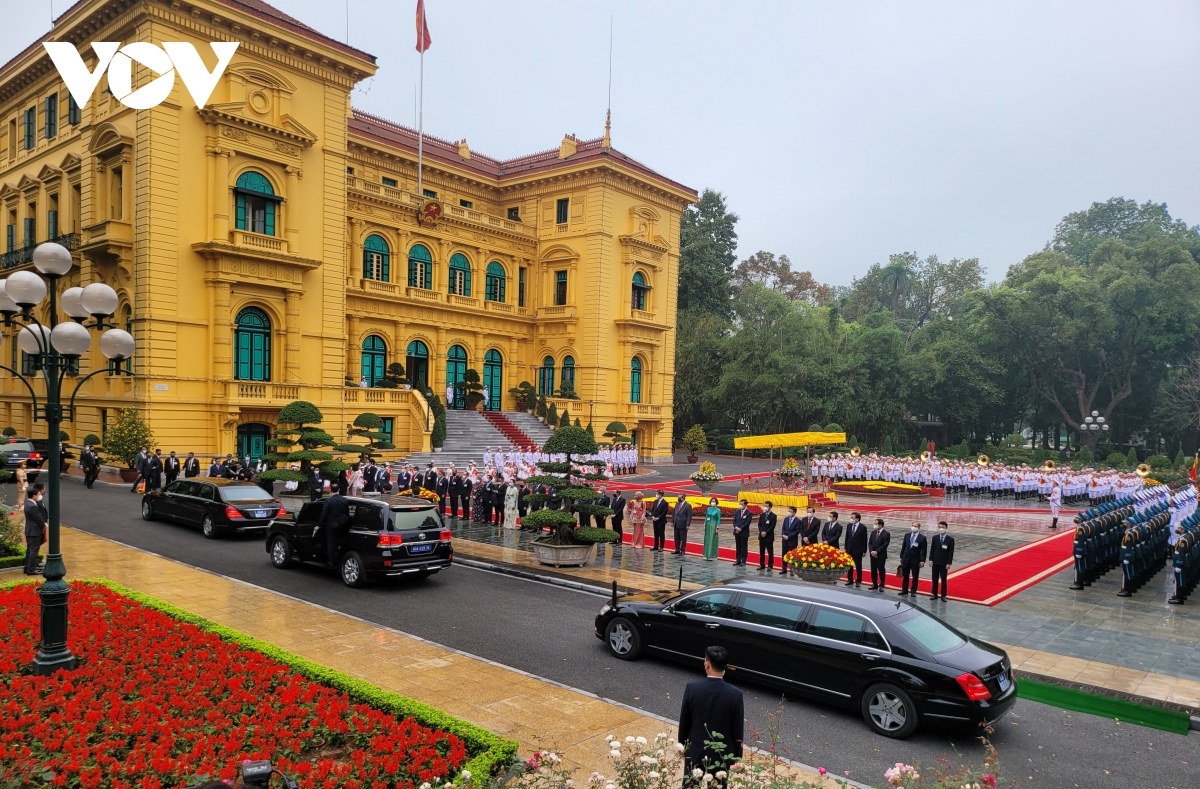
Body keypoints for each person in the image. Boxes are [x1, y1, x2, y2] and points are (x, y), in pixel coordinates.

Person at [678, 646, 744, 783]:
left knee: (690, 785)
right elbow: (737, 730)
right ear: (725, 666)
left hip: (695, 750)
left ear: (706, 664)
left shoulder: (692, 688)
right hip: (722, 753)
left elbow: (685, 721)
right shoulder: (736, 694)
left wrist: (682, 745)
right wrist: (736, 756)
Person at [315, 491, 350, 569]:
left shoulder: (328, 501)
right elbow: (347, 512)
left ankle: (331, 561)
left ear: (331, 491)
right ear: (338, 490)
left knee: (331, 543)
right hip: (342, 524)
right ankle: (339, 558)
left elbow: (324, 514)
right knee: (341, 541)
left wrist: (318, 525)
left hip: (332, 525)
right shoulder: (344, 500)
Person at [898, 521, 927, 596]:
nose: (913, 527)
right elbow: (903, 546)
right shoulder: (907, 535)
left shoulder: (922, 538)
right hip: (906, 558)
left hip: (915, 560)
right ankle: (904, 589)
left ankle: (913, 591)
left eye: (915, 526)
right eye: (912, 525)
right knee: (905, 575)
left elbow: (924, 550)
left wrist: (922, 561)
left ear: (918, 528)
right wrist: (901, 557)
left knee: (915, 576)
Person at [23, 485, 47, 575]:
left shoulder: (28, 503)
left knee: (30, 550)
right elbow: (38, 518)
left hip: (30, 530)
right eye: (38, 494)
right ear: (34, 496)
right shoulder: (32, 506)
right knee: (33, 550)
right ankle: (31, 569)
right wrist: (44, 524)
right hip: (34, 530)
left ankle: (28, 567)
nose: (39, 496)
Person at [929, 520, 955, 600]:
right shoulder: (935, 537)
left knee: (943, 579)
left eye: (943, 527)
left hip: (944, 563)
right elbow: (932, 549)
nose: (941, 529)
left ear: (946, 528)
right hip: (935, 561)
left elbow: (951, 552)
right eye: (939, 527)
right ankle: (934, 594)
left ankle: (943, 595)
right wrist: (930, 559)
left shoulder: (950, 539)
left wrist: (949, 563)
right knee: (934, 578)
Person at [844, 512, 868, 587]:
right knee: (849, 565)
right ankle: (850, 579)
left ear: (857, 519)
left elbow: (864, 540)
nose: (851, 519)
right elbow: (847, 537)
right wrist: (846, 547)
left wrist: (864, 550)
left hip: (858, 550)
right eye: (851, 517)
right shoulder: (849, 525)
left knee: (858, 565)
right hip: (849, 549)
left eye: (852, 518)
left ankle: (859, 580)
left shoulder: (863, 527)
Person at [869, 518, 890, 591]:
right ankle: (874, 584)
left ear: (880, 525)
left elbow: (885, 545)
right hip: (872, 554)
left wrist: (876, 552)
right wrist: (871, 551)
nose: (874, 525)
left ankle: (882, 584)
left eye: (876, 524)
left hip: (880, 555)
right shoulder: (873, 532)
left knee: (881, 570)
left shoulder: (886, 534)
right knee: (873, 570)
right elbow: (870, 543)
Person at [780, 506, 801, 575]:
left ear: (794, 513)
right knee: (784, 554)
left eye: (790, 511)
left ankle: (792, 569)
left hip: (792, 540)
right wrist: (783, 535)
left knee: (792, 555)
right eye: (788, 511)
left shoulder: (798, 521)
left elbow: (797, 531)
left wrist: (788, 536)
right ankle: (784, 568)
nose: (788, 512)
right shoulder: (786, 519)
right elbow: (783, 528)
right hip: (784, 540)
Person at [757, 500, 777, 571]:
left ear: (770, 507)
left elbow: (772, 526)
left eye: (766, 506)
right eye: (764, 506)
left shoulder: (773, 516)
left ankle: (770, 566)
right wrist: (761, 531)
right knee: (761, 552)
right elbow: (759, 524)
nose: (765, 507)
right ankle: (762, 564)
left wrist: (766, 532)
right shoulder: (762, 515)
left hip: (769, 537)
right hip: (761, 537)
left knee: (770, 552)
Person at [731, 500, 752, 566]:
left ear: (745, 505)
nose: (740, 505)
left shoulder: (749, 513)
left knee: (744, 547)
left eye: (741, 504)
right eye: (740, 504)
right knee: (738, 546)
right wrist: (736, 527)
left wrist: (740, 528)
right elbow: (734, 521)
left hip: (744, 532)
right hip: (737, 531)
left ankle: (743, 561)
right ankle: (738, 560)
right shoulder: (737, 511)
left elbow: (747, 523)